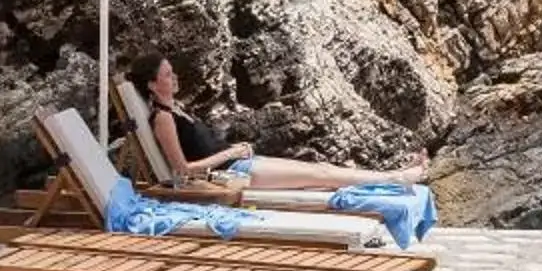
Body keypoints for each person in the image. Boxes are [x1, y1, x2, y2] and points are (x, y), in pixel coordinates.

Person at [143, 58, 425, 189]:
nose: (175, 78)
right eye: (167, 75)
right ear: (153, 85)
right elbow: (183, 169)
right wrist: (232, 153)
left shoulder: (176, 109)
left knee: (322, 173)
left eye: (173, 72)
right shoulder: (164, 118)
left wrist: (236, 151)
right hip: (233, 173)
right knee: (323, 176)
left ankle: (395, 174)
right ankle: (397, 179)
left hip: (239, 164)